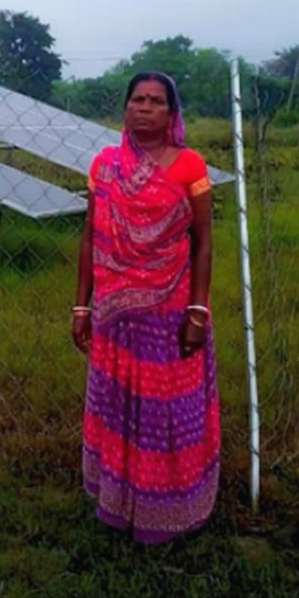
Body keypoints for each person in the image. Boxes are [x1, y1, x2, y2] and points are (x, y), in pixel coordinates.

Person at [72, 72, 220, 544]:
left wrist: (197, 313)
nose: (145, 108)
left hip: (170, 313)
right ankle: (117, 503)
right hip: (114, 317)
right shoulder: (105, 165)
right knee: (116, 408)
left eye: (157, 101)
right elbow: (91, 235)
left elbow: (203, 242)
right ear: (125, 107)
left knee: (166, 414)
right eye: (137, 99)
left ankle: (170, 511)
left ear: (172, 113)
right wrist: (81, 308)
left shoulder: (190, 166)